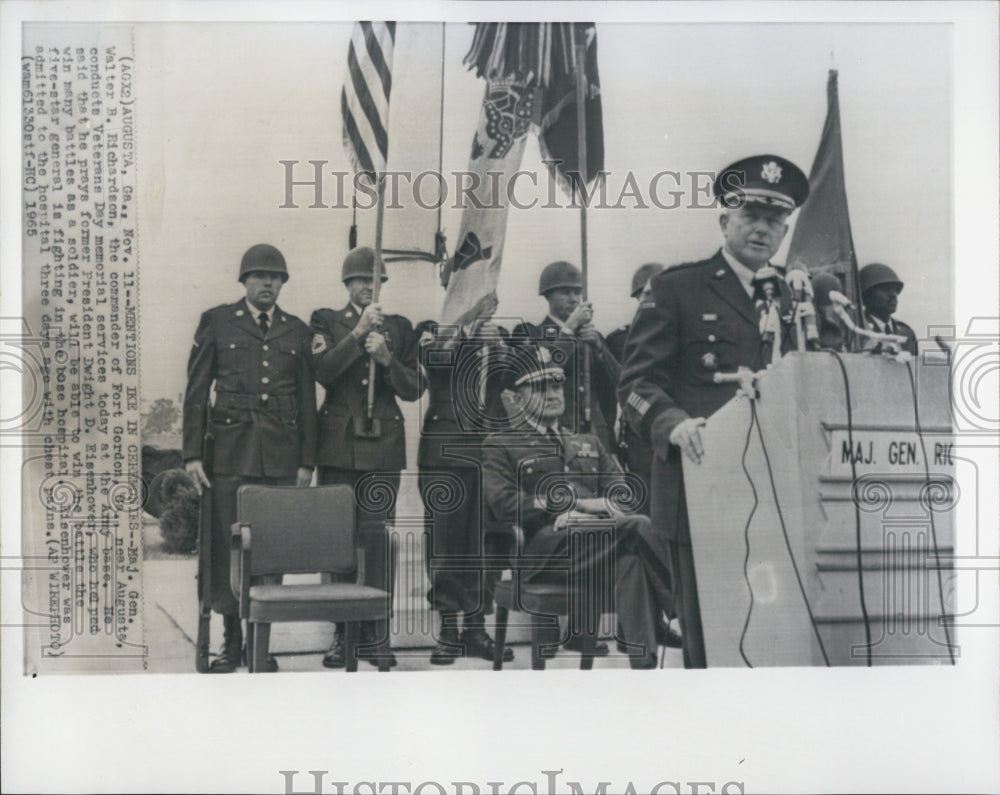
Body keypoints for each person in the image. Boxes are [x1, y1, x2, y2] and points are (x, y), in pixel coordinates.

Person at [618, 154, 810, 668]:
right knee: (713, 641)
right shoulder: (677, 288)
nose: (762, 229)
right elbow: (635, 385)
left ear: (785, 230)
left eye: (774, 221)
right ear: (725, 221)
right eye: (750, 216)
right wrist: (672, 423)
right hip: (700, 489)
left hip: (780, 495)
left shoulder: (793, 302)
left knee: (779, 636)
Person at [482, 345, 677, 669]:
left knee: (632, 561)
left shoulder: (587, 441)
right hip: (543, 550)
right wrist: (560, 509)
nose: (553, 393)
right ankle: (682, 608)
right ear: (517, 397)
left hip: (600, 542)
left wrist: (585, 506)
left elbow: (624, 495)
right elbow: (503, 504)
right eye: (541, 387)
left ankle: (644, 668)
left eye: (557, 385)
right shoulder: (501, 444)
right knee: (639, 527)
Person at [183, 243, 316, 673]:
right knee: (226, 552)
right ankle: (231, 644)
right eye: (259, 276)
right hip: (229, 456)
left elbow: (307, 402)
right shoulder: (218, 322)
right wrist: (191, 456)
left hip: (279, 459)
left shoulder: (295, 331)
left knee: (269, 554)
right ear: (244, 281)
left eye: (275, 277)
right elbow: (197, 392)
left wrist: (305, 463)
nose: (268, 283)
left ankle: (262, 643)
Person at [310, 246, 422, 668]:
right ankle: (342, 635)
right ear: (346, 284)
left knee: (377, 543)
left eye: (373, 281)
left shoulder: (401, 328)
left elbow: (414, 387)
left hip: (382, 449)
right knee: (339, 541)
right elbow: (322, 371)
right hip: (338, 447)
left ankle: (377, 634)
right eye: (358, 280)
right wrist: (357, 336)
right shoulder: (325, 320)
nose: (365, 287)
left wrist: (386, 358)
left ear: (382, 285)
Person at [416, 309, 515, 665]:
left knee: (488, 544)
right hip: (444, 453)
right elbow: (431, 365)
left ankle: (476, 628)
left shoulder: (500, 334)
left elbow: (517, 377)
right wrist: (459, 335)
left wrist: (498, 345)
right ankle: (448, 629)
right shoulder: (432, 329)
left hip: (491, 451)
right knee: (446, 545)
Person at [512, 261, 620, 454]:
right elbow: (544, 371)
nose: (574, 299)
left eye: (578, 293)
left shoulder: (593, 337)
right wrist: (568, 330)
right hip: (555, 429)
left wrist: (600, 350)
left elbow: (620, 382)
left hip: (596, 433)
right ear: (548, 297)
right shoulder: (531, 333)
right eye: (565, 293)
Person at [859, 262, 918, 355]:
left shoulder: (906, 333)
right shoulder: (859, 332)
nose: (893, 295)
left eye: (895, 290)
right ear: (866, 296)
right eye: (885, 289)